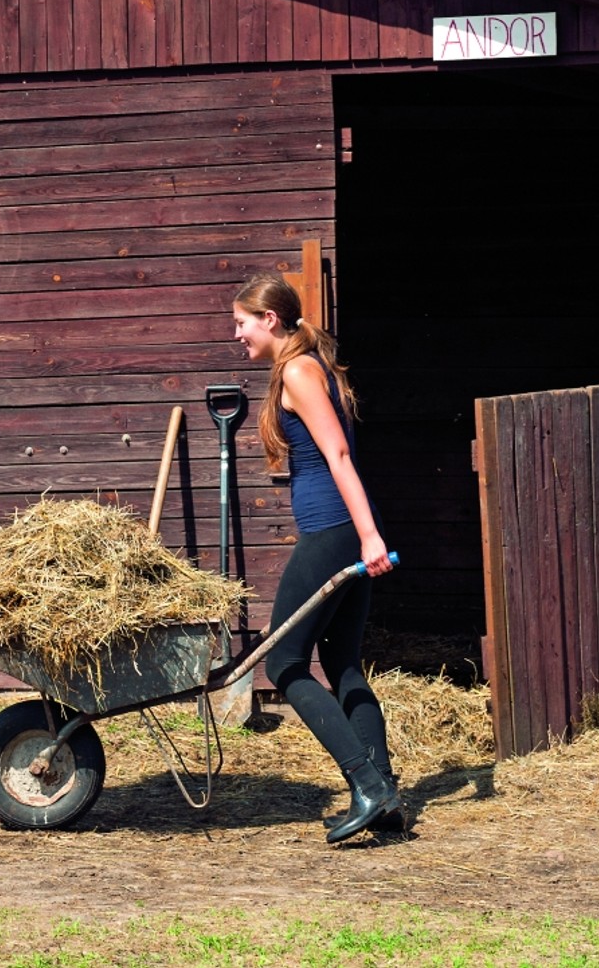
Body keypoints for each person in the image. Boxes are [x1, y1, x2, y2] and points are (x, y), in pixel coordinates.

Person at [230, 271, 402, 842]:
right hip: (340, 528)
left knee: (281, 663)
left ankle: (366, 786)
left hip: (334, 530)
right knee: (344, 663)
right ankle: (387, 797)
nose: (238, 335)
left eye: (242, 323)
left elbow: (338, 455)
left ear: (270, 320)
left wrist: (368, 535)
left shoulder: (300, 371)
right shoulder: (302, 367)